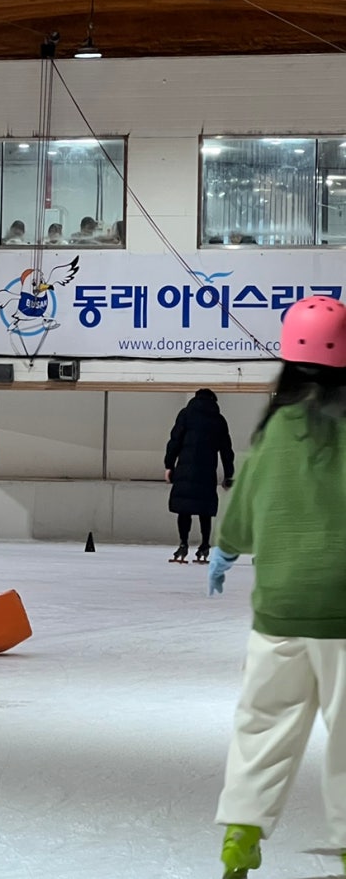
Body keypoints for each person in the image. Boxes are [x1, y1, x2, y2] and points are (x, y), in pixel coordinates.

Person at [208, 295, 346, 878]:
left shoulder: (274, 431)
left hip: (279, 610)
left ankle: (241, 832)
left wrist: (225, 550)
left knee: (262, 725)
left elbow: (243, 510)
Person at [164, 388, 234, 563]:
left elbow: (174, 441)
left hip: (185, 470)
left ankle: (183, 544)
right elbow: (226, 450)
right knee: (205, 510)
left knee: (184, 509)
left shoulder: (186, 415)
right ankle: (204, 546)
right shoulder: (218, 420)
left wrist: (169, 465)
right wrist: (228, 474)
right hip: (207, 471)